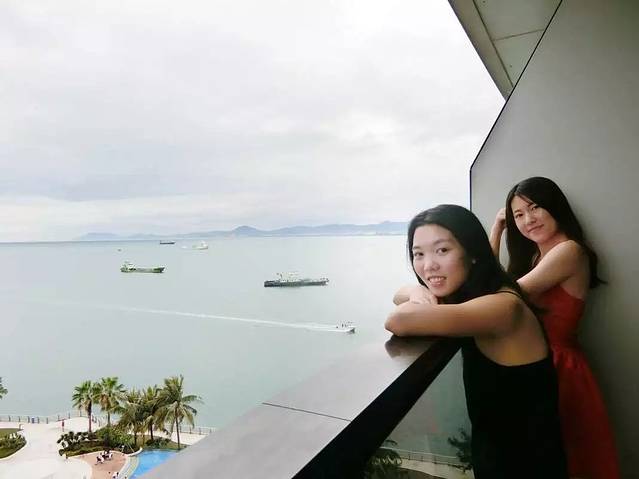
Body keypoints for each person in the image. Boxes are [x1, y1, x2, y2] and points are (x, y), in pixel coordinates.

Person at [386, 204, 567, 479]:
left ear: (472, 253)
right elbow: (399, 294)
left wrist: (418, 296)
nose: (428, 264)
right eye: (418, 254)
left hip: (525, 464)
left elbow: (398, 320)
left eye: (442, 250)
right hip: (503, 454)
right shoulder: (479, 293)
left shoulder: (502, 308)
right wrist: (415, 290)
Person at [490, 176, 619, 479]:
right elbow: (490, 286)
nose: (528, 220)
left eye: (535, 207)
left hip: (558, 370)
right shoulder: (536, 256)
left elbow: (502, 299)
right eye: (518, 214)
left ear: (554, 206)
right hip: (537, 365)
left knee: (565, 462)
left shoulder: (568, 251)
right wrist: (496, 229)